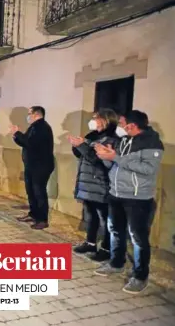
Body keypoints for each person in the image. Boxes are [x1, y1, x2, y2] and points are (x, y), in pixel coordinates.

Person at [93, 110, 163, 294]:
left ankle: (140, 276)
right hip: (116, 194)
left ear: (131, 125)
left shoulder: (152, 143)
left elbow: (148, 169)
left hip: (138, 198)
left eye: (122, 123)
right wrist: (106, 156)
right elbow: (118, 165)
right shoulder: (124, 141)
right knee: (115, 230)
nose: (119, 126)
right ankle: (116, 264)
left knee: (138, 238)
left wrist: (114, 157)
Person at [68, 108, 119, 261]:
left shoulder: (112, 138)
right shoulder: (92, 136)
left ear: (106, 119)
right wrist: (77, 145)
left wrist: (83, 146)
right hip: (87, 182)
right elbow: (82, 154)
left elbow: (98, 160)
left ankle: (106, 248)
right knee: (90, 214)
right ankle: (90, 243)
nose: (93, 120)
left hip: (101, 183)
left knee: (105, 218)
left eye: (96, 117)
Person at [10, 106, 55, 230]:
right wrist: (16, 137)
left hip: (41, 166)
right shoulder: (34, 127)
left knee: (39, 192)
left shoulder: (42, 127)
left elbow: (31, 142)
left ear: (36, 114)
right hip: (31, 165)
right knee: (31, 191)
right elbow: (26, 142)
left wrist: (17, 133)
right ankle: (33, 214)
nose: (28, 116)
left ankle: (42, 219)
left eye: (29, 113)